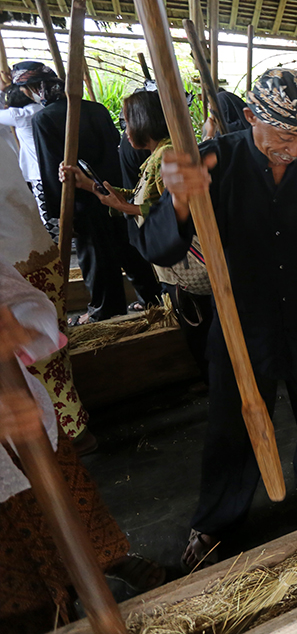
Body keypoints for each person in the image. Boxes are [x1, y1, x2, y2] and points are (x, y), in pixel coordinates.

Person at [133, 69, 297, 571]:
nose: (296, 147)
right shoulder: (213, 161)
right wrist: (178, 199)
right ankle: (217, 520)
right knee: (232, 424)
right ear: (250, 118)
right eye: (285, 135)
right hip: (243, 319)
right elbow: (156, 247)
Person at [0, 261, 164, 632]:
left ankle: (99, 567)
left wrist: (18, 325)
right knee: (23, 596)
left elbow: (24, 300)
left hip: (26, 429)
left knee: (69, 514)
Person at [61, 90, 214, 377]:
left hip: (187, 267)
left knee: (202, 337)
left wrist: (123, 206)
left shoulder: (167, 155)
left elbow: (177, 210)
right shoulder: (157, 156)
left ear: (145, 121)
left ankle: (217, 388)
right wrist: (90, 187)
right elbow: (146, 199)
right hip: (175, 268)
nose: (124, 130)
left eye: (126, 122)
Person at [27, 61, 162, 323]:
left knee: (96, 259)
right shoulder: (96, 110)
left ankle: (106, 309)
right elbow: (114, 149)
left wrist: (59, 212)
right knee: (129, 249)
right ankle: (152, 297)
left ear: (35, 89)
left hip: (82, 201)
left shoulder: (44, 118)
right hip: (112, 191)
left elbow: (53, 166)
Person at [0, 126, 94, 452]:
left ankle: (61, 439)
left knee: (31, 364)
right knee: (52, 354)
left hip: (12, 272)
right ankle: (76, 426)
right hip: (40, 257)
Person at [0, 80, 45, 226]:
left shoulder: (19, 115)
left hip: (37, 172)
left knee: (46, 214)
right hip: (54, 166)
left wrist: (2, 93)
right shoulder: (40, 108)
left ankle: (57, 245)